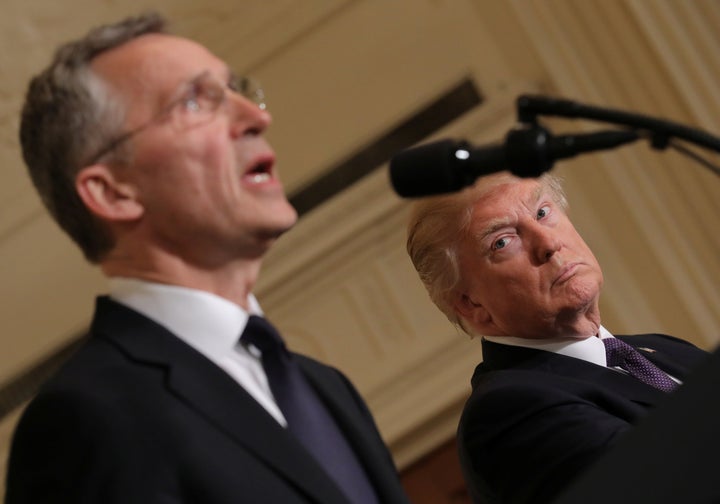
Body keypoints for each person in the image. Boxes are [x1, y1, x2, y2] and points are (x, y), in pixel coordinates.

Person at [6, 12, 410, 504]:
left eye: (238, 90)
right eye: (196, 101)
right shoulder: (84, 421)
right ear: (113, 192)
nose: (257, 117)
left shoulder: (324, 386)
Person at [405, 171, 709, 504]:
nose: (549, 244)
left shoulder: (661, 349)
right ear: (471, 304)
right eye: (503, 242)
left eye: (543, 213)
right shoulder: (508, 413)